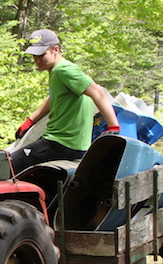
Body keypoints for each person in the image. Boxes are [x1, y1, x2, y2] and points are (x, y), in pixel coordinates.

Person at [9, 29, 120, 175]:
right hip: (62, 142)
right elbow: (54, 96)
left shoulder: (64, 70)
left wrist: (113, 127)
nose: (37, 60)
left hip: (61, 143)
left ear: (56, 49)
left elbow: (98, 92)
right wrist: (30, 120)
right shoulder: (57, 71)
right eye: (34, 56)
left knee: (7, 165)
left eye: (42, 55)